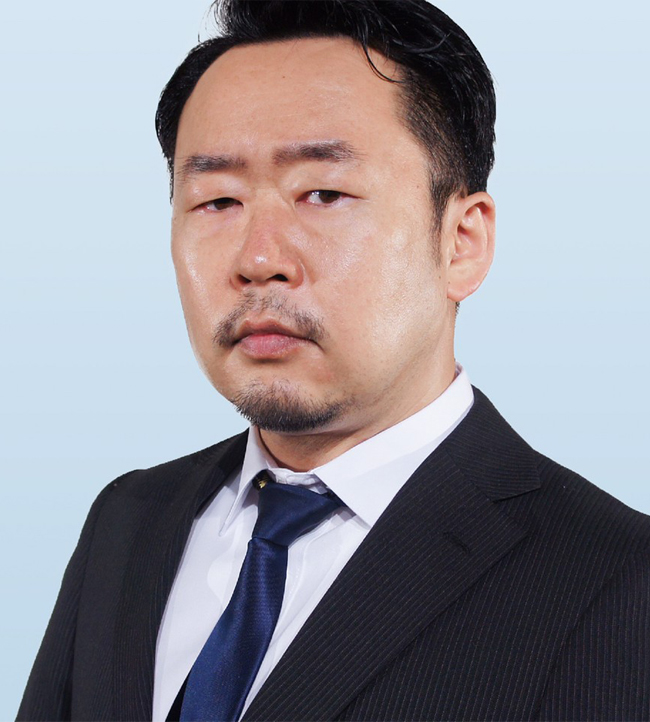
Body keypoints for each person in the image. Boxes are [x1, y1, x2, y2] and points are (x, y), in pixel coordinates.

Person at [17, 1, 650, 720]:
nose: (259, 259)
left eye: (323, 194)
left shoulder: (617, 585)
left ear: (462, 242)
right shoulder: (129, 523)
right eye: (217, 201)